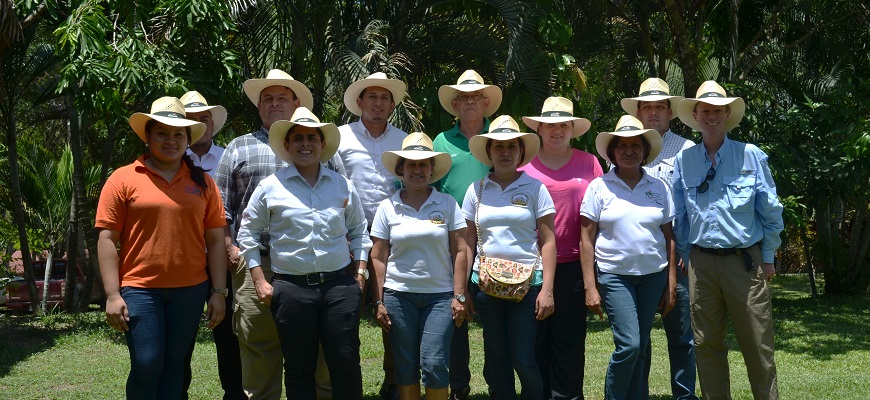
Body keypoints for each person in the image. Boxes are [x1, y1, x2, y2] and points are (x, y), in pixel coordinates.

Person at [97, 96, 228, 400]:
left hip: (190, 290)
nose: (171, 140)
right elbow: (106, 239)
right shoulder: (123, 179)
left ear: (187, 138)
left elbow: (215, 240)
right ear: (148, 136)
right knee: (146, 364)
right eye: (163, 133)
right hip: (140, 289)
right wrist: (113, 295)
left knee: (173, 366)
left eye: (178, 134)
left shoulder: (204, 183)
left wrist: (218, 293)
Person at [236, 107, 371, 400]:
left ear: (323, 145)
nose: (305, 144)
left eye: (312, 137)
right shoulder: (270, 187)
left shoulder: (342, 185)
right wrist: (259, 279)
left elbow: (360, 232)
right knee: (298, 368)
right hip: (291, 289)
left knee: (345, 363)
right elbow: (247, 233)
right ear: (287, 145)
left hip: (339, 287)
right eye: (298, 138)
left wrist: (359, 274)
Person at [673, 81, 784, 400]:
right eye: (705, 110)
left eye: (718, 110)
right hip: (701, 266)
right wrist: (686, 254)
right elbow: (680, 216)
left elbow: (771, 211)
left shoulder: (751, 156)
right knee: (707, 346)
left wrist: (768, 256)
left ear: (727, 114)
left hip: (744, 264)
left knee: (757, 346)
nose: (711, 115)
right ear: (695, 115)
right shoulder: (685, 160)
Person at [214, 68, 314, 399]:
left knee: (309, 348)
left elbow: (342, 204)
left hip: (310, 265)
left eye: (281, 98)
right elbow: (220, 210)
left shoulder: (314, 144)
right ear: (259, 107)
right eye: (267, 99)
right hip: (254, 262)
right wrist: (230, 248)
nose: (274, 104)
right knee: (258, 348)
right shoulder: (238, 148)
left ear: (296, 103)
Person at [580, 115, 676, 400]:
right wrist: (590, 287)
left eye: (636, 145)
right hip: (615, 276)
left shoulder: (659, 187)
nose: (629, 151)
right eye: (622, 146)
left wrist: (671, 282)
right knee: (630, 345)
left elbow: (670, 237)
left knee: (642, 345)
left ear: (645, 151)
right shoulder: (599, 187)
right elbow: (586, 240)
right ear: (612, 152)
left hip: (653, 276)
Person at [462, 115, 556, 400]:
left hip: (528, 287)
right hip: (486, 286)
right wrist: (463, 289)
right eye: (498, 147)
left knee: (523, 359)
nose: (505, 153)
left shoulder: (535, 189)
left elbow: (548, 241)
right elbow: (467, 243)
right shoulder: (475, 190)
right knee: (496, 360)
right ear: (489, 152)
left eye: (511, 147)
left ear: (521, 152)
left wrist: (548, 290)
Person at [370, 132, 469, 400]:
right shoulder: (387, 207)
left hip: (440, 296)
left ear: (431, 169)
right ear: (401, 169)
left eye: (423, 163)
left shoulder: (447, 204)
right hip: (398, 296)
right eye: (411, 164)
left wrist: (459, 295)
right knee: (405, 365)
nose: (417, 169)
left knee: (435, 362)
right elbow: (378, 257)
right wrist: (378, 301)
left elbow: (460, 250)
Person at [620, 78, 698, 400]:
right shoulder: (624, 148)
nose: (653, 113)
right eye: (646, 107)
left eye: (659, 107)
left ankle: (683, 396)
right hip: (638, 258)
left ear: (670, 112)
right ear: (638, 112)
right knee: (639, 337)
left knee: (680, 334)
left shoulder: (687, 150)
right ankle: (639, 394)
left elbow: (695, 206)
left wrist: (687, 250)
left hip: (676, 257)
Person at [519, 96, 600, 400]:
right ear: (539, 128)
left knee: (569, 340)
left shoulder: (589, 163)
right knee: (535, 340)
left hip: (575, 265)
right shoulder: (523, 165)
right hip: (531, 265)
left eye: (563, 124)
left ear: (572, 129)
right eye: (550, 125)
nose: (557, 130)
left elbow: (600, 213)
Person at [335, 72, 408, 400]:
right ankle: (347, 386)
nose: (378, 104)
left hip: (395, 239)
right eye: (372, 97)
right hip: (348, 238)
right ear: (359, 102)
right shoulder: (339, 137)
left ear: (392, 105)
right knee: (345, 313)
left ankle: (394, 382)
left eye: (384, 98)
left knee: (392, 311)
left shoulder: (405, 140)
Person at [432, 69, 503, 400]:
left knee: (492, 319)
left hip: (493, 244)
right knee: (456, 315)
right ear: (455, 104)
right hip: (452, 243)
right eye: (464, 98)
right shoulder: (441, 142)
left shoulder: (500, 138)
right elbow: (431, 187)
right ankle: (459, 385)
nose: (470, 102)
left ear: (485, 102)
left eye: (476, 97)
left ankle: (497, 382)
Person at [177, 90, 246, 400]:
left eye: (203, 119)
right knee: (182, 337)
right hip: (185, 260)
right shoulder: (171, 160)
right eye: (191, 120)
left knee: (229, 335)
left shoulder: (228, 156)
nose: (199, 125)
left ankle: (234, 393)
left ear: (212, 124)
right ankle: (176, 392)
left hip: (222, 259)